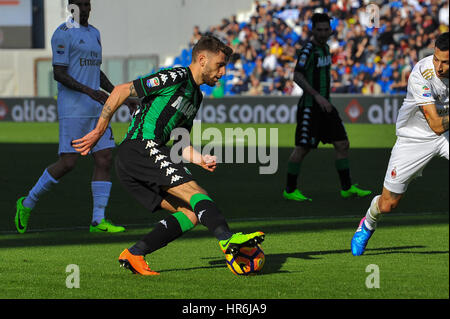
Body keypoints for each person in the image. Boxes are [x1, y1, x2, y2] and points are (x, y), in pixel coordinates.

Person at [72, 36, 264, 275]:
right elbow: (122, 90)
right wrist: (99, 130)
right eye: (220, 65)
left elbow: (181, 141)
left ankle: (134, 254)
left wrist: (199, 158)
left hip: (141, 158)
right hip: (141, 147)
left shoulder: (196, 97)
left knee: (191, 213)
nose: (223, 72)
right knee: (196, 193)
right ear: (202, 60)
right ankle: (227, 239)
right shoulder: (176, 76)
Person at [14, 0, 136, 234]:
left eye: (86, 3)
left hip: (96, 108)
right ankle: (27, 202)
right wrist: (89, 91)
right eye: (78, 4)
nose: (83, 8)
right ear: (70, 8)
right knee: (68, 163)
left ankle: (98, 221)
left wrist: (118, 95)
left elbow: (95, 72)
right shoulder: (62, 34)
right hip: (73, 108)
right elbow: (59, 74)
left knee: (104, 158)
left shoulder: (95, 34)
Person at [351, 32, 449, 256]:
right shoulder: (421, 74)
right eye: (436, 59)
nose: (439, 66)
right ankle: (367, 223)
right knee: (388, 204)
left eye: (445, 62)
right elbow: (435, 124)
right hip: (414, 138)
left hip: (447, 135)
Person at [283, 13, 371, 202]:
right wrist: (316, 96)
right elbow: (297, 76)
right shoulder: (308, 50)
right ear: (313, 30)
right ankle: (290, 190)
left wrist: (324, 99)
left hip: (326, 106)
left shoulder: (326, 49)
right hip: (310, 106)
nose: (323, 33)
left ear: (330, 30)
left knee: (342, 144)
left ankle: (346, 188)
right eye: (319, 29)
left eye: (326, 29)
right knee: (302, 148)